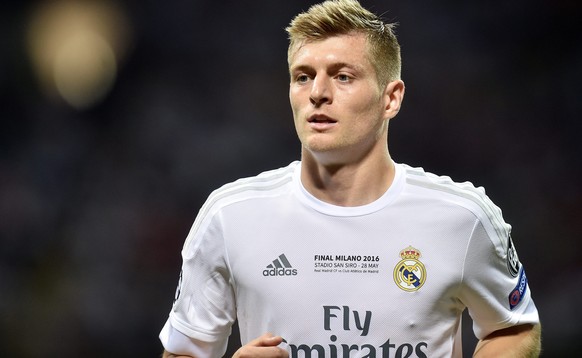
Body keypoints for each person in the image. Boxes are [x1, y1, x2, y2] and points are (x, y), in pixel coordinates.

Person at [159, 0, 541, 357]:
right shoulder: (229, 217)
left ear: (390, 99)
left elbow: (512, 329)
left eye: (343, 76)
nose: (318, 94)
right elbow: (183, 351)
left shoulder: (463, 218)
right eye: (303, 77)